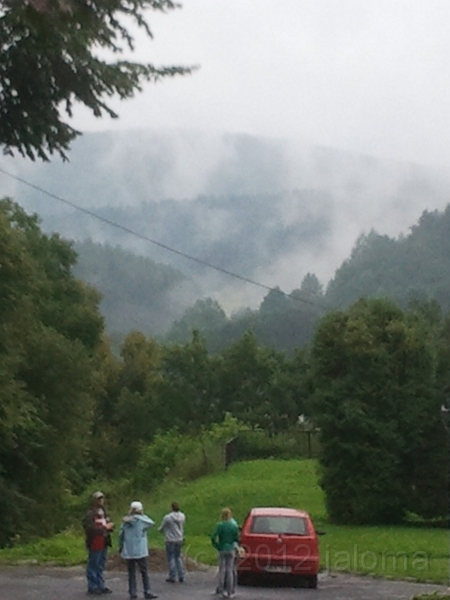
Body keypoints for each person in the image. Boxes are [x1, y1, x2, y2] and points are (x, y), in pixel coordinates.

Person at [119, 501, 158, 600]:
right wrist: (141, 515)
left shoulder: (125, 522)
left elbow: (121, 535)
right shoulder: (141, 521)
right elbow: (151, 522)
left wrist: (120, 547)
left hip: (129, 550)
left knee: (131, 573)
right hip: (140, 550)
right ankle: (147, 591)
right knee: (144, 572)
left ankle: (133, 592)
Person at [82, 491, 115, 595]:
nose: (101, 501)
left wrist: (110, 527)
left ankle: (100, 585)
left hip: (104, 541)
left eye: (102, 499)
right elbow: (89, 529)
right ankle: (92, 586)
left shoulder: (104, 512)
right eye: (99, 499)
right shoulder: (90, 514)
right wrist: (104, 528)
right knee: (93, 564)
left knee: (101, 564)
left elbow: (107, 524)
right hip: (95, 542)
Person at [211, 508, 239, 599]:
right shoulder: (233, 526)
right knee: (230, 570)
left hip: (222, 548)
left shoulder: (220, 525)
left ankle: (221, 589)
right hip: (230, 549)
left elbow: (213, 537)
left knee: (222, 570)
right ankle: (230, 591)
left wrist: (217, 546)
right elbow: (236, 538)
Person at [158, 501, 186, 583]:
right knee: (178, 557)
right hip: (179, 538)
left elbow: (162, 527)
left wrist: (160, 530)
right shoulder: (182, 516)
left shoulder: (168, 517)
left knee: (171, 557)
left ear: (171, 508)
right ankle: (181, 575)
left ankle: (172, 576)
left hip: (170, 539)